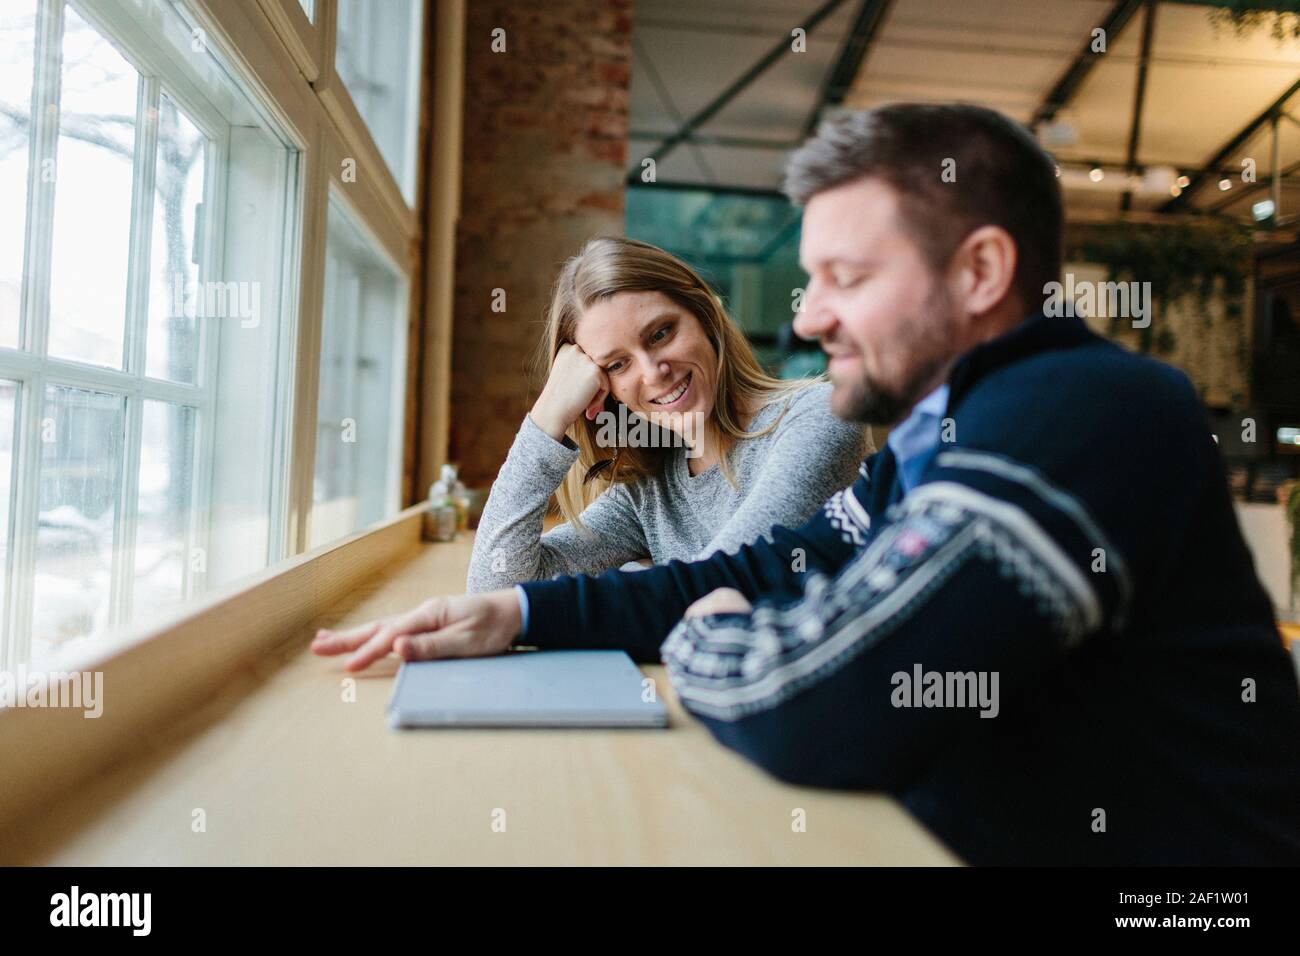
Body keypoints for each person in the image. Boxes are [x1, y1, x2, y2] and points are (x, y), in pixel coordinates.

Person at [314, 103, 1300, 865]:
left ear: (980, 270)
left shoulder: (1080, 412)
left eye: (845, 276)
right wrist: (517, 611)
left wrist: (707, 625)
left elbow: (831, 696)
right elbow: (772, 561)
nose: (813, 314)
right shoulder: (934, 440)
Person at [465, 236, 868, 591]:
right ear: (603, 390)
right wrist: (547, 418)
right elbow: (496, 590)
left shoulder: (820, 416)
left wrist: (639, 575)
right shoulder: (649, 494)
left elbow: (722, 582)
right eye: (617, 365)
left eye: (661, 334)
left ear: (706, 317)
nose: (654, 372)